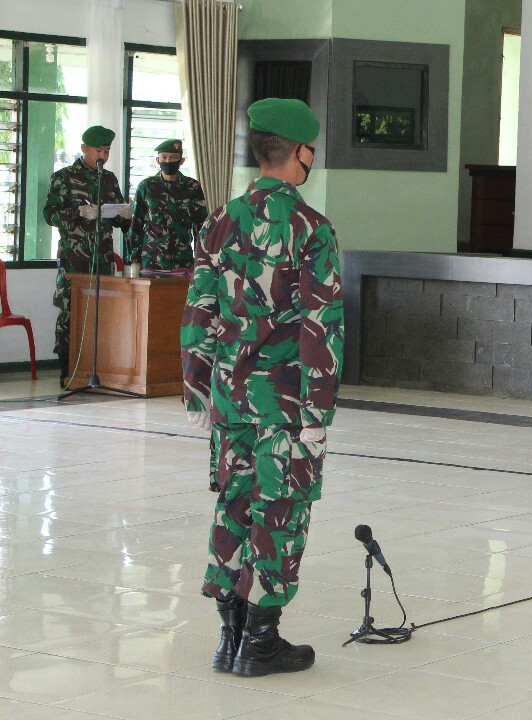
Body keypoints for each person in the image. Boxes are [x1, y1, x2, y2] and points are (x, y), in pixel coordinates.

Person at [181, 98, 343, 677]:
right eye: (311, 151)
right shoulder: (311, 229)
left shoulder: (220, 219)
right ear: (300, 152)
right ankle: (260, 640)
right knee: (281, 511)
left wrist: (196, 388)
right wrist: (319, 410)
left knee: (234, 505)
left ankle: (229, 639)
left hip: (229, 396)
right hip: (286, 403)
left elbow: (199, 308)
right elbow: (321, 327)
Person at [42, 125, 133, 386]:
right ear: (84, 149)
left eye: (107, 150)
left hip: (102, 260)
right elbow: (50, 215)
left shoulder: (110, 179)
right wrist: (77, 212)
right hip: (74, 260)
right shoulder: (64, 177)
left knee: (101, 315)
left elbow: (120, 222)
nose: (103, 155)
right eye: (98, 150)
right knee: (70, 314)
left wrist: (125, 215)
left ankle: (98, 371)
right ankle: (67, 372)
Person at [125, 139, 209, 270]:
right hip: (151, 260)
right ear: (157, 160)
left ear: (181, 161)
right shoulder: (146, 186)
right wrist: (134, 258)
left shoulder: (192, 187)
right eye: (164, 157)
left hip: (182, 260)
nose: (168, 161)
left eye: (173, 157)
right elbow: (136, 224)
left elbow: (201, 226)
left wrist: (201, 259)